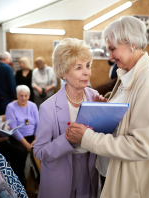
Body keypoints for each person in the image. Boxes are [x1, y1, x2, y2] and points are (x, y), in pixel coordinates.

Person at [66, 16, 149, 198]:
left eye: (112, 49)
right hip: (116, 173)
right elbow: (128, 116)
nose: (109, 56)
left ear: (131, 43)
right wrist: (106, 109)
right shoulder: (129, 74)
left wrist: (87, 137)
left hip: (138, 185)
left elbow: (142, 146)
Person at [34, 38, 99, 198]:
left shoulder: (95, 97)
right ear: (63, 72)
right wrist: (67, 140)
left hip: (90, 168)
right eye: (79, 67)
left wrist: (105, 114)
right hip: (60, 172)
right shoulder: (48, 107)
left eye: (88, 65)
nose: (86, 72)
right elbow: (39, 151)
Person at [5, 85, 39, 177]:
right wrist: (27, 144)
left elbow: (38, 124)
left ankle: (39, 179)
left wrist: (36, 139)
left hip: (33, 136)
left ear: (29, 95)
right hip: (18, 138)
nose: (24, 98)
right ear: (17, 95)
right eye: (21, 95)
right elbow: (13, 128)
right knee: (21, 151)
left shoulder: (33, 105)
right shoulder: (11, 107)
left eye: (26, 95)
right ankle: (20, 179)